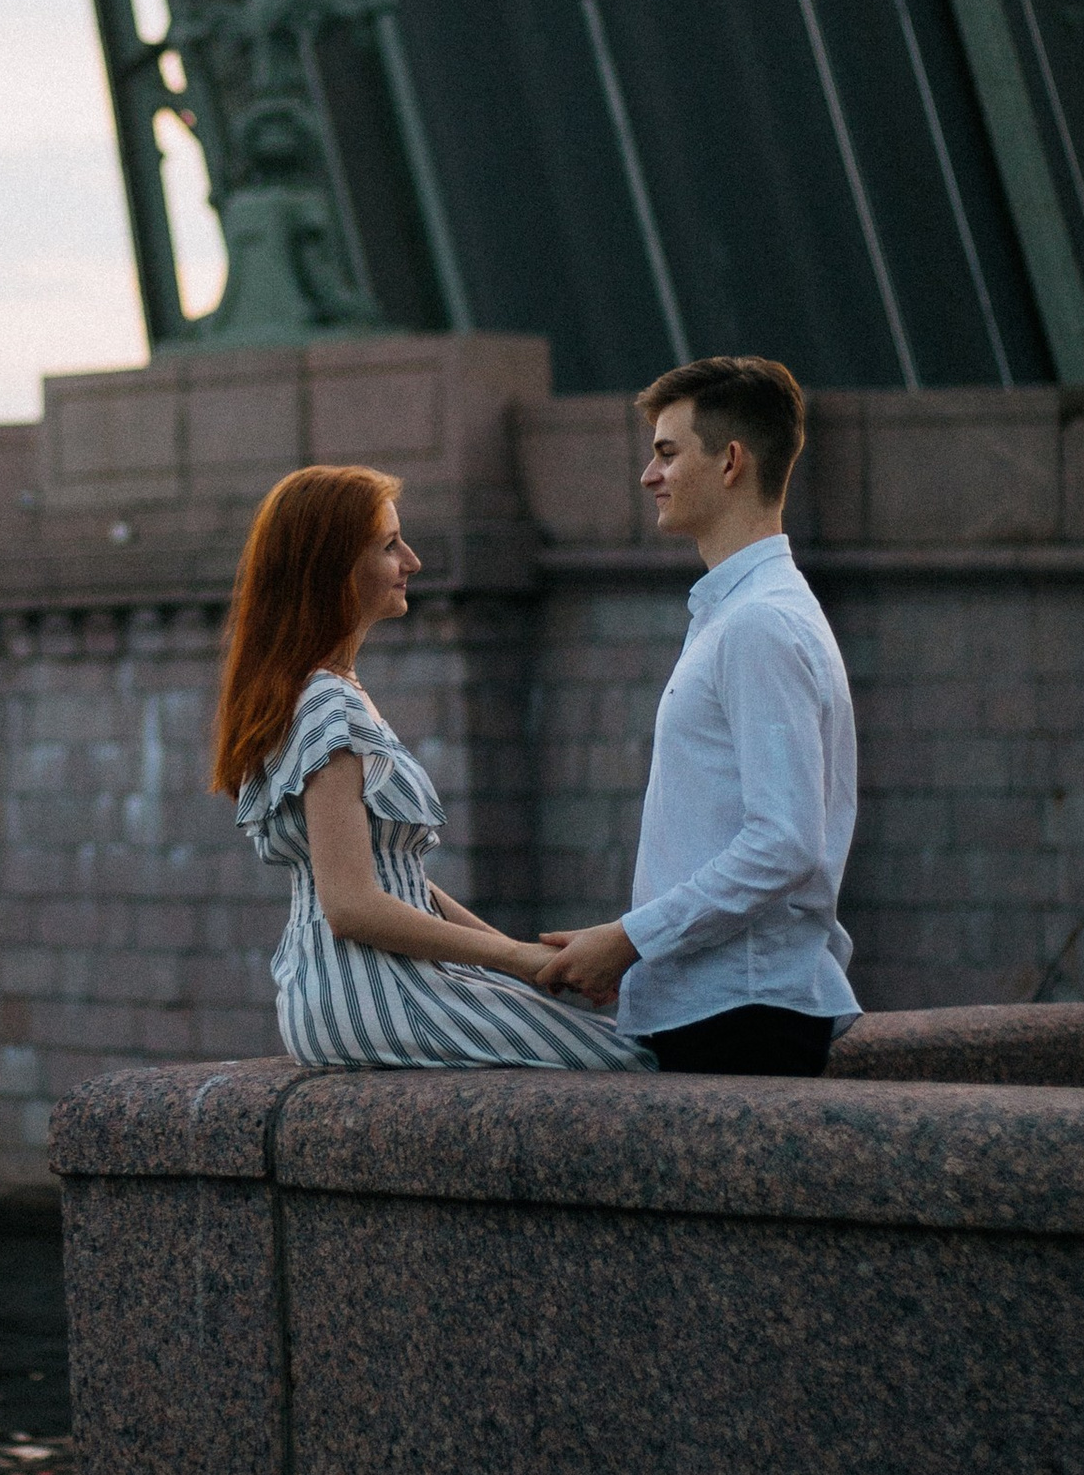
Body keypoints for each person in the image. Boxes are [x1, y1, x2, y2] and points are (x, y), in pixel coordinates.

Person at [212, 462, 653, 1074]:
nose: (412, 561)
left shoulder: (321, 692)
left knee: (601, 1044)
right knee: (629, 1062)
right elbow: (353, 906)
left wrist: (525, 957)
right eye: (389, 545)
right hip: (371, 991)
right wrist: (519, 962)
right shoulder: (325, 702)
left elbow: (400, 884)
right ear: (333, 567)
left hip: (343, 988)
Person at [537, 356, 858, 1076]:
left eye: (667, 452)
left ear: (731, 462)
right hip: (729, 1003)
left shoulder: (757, 625)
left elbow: (784, 843)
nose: (649, 475)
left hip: (739, 1011)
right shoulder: (747, 614)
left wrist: (630, 939)